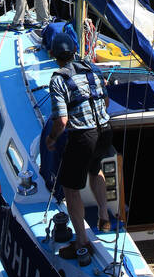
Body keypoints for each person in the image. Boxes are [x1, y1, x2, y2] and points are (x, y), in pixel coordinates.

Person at [44, 35, 113, 265]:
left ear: (53, 55)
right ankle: (104, 216)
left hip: (83, 136)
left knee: (70, 188)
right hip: (105, 130)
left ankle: (81, 242)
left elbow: (62, 121)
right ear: (74, 51)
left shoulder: (58, 80)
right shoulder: (93, 70)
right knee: (95, 169)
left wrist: (52, 139)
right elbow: (105, 103)